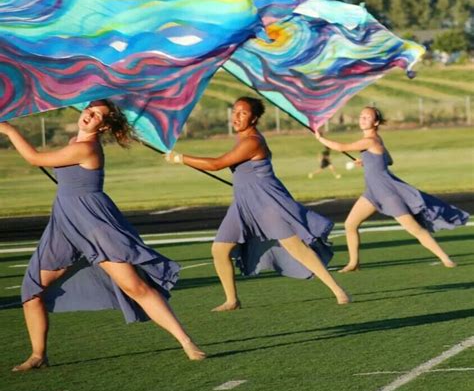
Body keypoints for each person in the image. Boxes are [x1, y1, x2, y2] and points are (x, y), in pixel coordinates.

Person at [0, 100, 205, 371]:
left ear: (104, 125)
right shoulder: (76, 141)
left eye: (97, 115)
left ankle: (187, 341)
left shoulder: (86, 148)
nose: (89, 115)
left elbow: (35, 159)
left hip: (94, 222)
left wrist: (10, 130)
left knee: (135, 287)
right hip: (65, 224)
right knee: (32, 291)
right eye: (89, 110)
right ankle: (39, 355)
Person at [165, 96, 350, 311]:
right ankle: (232, 300)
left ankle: (338, 290)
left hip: (267, 201)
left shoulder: (253, 141)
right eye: (234, 112)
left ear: (254, 118)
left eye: (243, 113)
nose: (236, 117)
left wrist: (180, 158)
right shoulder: (243, 139)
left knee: (296, 247)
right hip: (244, 204)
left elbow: (216, 164)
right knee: (219, 249)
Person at [314, 106, 469, 272]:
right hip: (372, 193)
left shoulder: (371, 140)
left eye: (367, 117)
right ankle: (354, 263)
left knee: (415, 229)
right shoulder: (375, 141)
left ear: (376, 122)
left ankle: (445, 259)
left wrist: (320, 138)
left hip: (387, 193)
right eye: (361, 116)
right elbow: (389, 160)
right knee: (350, 224)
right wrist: (367, 160)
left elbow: (340, 147)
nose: (362, 119)